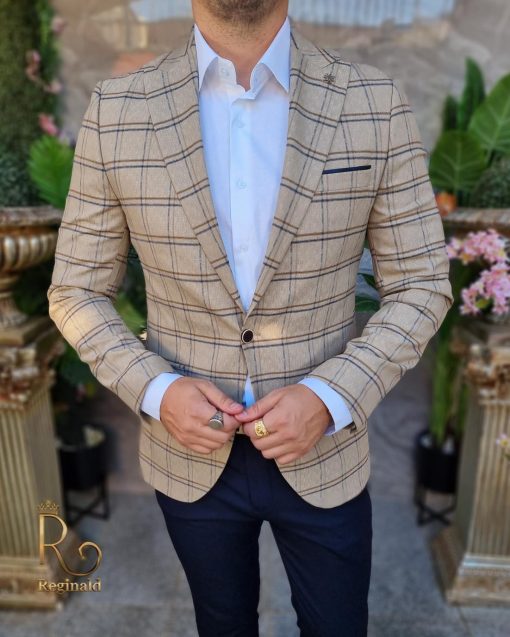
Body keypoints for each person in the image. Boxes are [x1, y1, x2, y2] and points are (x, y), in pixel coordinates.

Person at [47, 1, 454, 635]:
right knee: (221, 623)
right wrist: (157, 390)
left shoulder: (373, 103)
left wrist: (330, 396)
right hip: (188, 452)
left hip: (324, 447)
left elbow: (422, 283)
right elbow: (76, 289)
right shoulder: (118, 109)